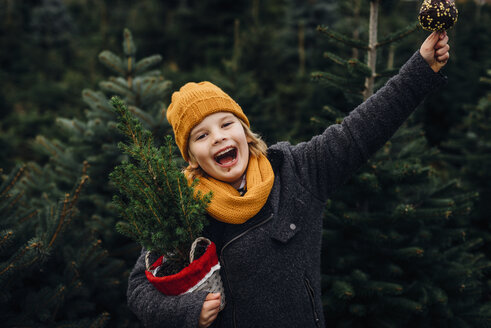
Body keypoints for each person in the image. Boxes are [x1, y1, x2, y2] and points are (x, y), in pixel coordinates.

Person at [127, 31, 450, 328]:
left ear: (244, 129)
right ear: (191, 156)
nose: (217, 138)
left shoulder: (296, 171)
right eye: (201, 135)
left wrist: (421, 67)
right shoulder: (184, 209)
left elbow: (358, 132)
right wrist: (187, 311)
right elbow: (139, 288)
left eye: (226, 124)